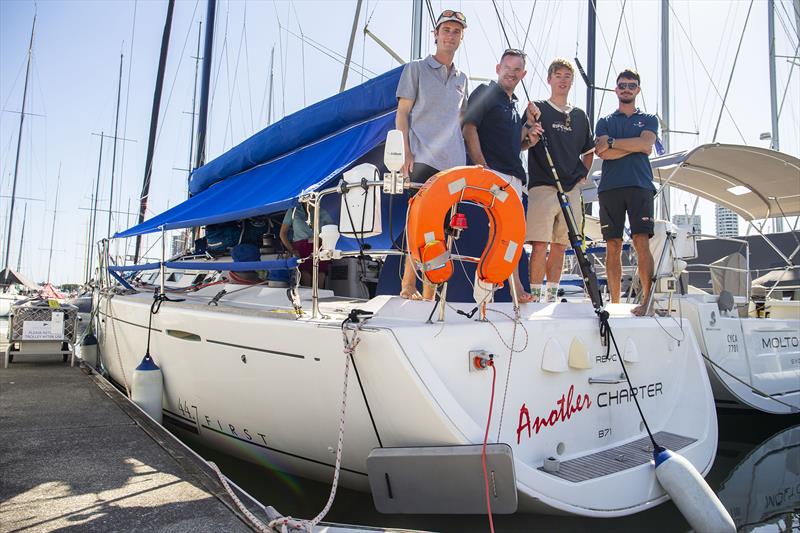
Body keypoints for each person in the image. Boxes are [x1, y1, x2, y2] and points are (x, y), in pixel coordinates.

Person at [396, 9, 469, 300]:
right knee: (417, 223)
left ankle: (430, 292)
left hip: (453, 163)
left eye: (456, 31)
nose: (451, 35)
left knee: (445, 229)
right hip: (423, 157)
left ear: (461, 38)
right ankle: (407, 287)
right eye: (446, 30)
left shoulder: (463, 78)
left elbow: (462, 122)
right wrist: (405, 152)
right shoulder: (415, 68)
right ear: (436, 34)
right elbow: (402, 113)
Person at [462, 48, 542, 303]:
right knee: (493, 233)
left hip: (514, 178)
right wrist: (482, 168)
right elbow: (469, 127)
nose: (512, 73)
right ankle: (485, 293)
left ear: (523, 74)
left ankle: (515, 288)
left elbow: (515, 145)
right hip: (492, 173)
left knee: (513, 236)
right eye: (507, 68)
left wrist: (529, 132)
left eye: (517, 70)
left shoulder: (515, 104)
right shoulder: (485, 93)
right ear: (498, 68)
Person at [525, 58, 594, 303]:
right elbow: (524, 137)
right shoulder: (537, 108)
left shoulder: (579, 116)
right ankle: (534, 296)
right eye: (558, 76)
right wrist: (530, 125)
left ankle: (551, 297)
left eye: (567, 77)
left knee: (560, 245)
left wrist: (583, 175)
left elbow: (589, 150)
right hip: (543, 184)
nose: (563, 80)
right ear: (549, 79)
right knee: (540, 244)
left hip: (571, 188)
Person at [594, 69, 658, 316]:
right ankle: (615, 304)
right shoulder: (605, 121)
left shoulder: (649, 118)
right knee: (613, 245)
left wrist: (614, 143)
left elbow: (646, 144)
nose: (627, 88)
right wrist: (632, 145)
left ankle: (647, 302)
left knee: (641, 242)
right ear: (616, 89)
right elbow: (603, 152)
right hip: (610, 187)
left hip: (640, 185)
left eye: (632, 85)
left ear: (638, 89)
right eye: (622, 85)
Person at [280, 203, 333, 286]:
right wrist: (292, 250)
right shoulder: (293, 211)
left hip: (319, 248)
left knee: (320, 277)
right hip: (301, 249)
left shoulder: (321, 211)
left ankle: (318, 298)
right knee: (305, 278)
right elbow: (282, 234)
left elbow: (332, 230)